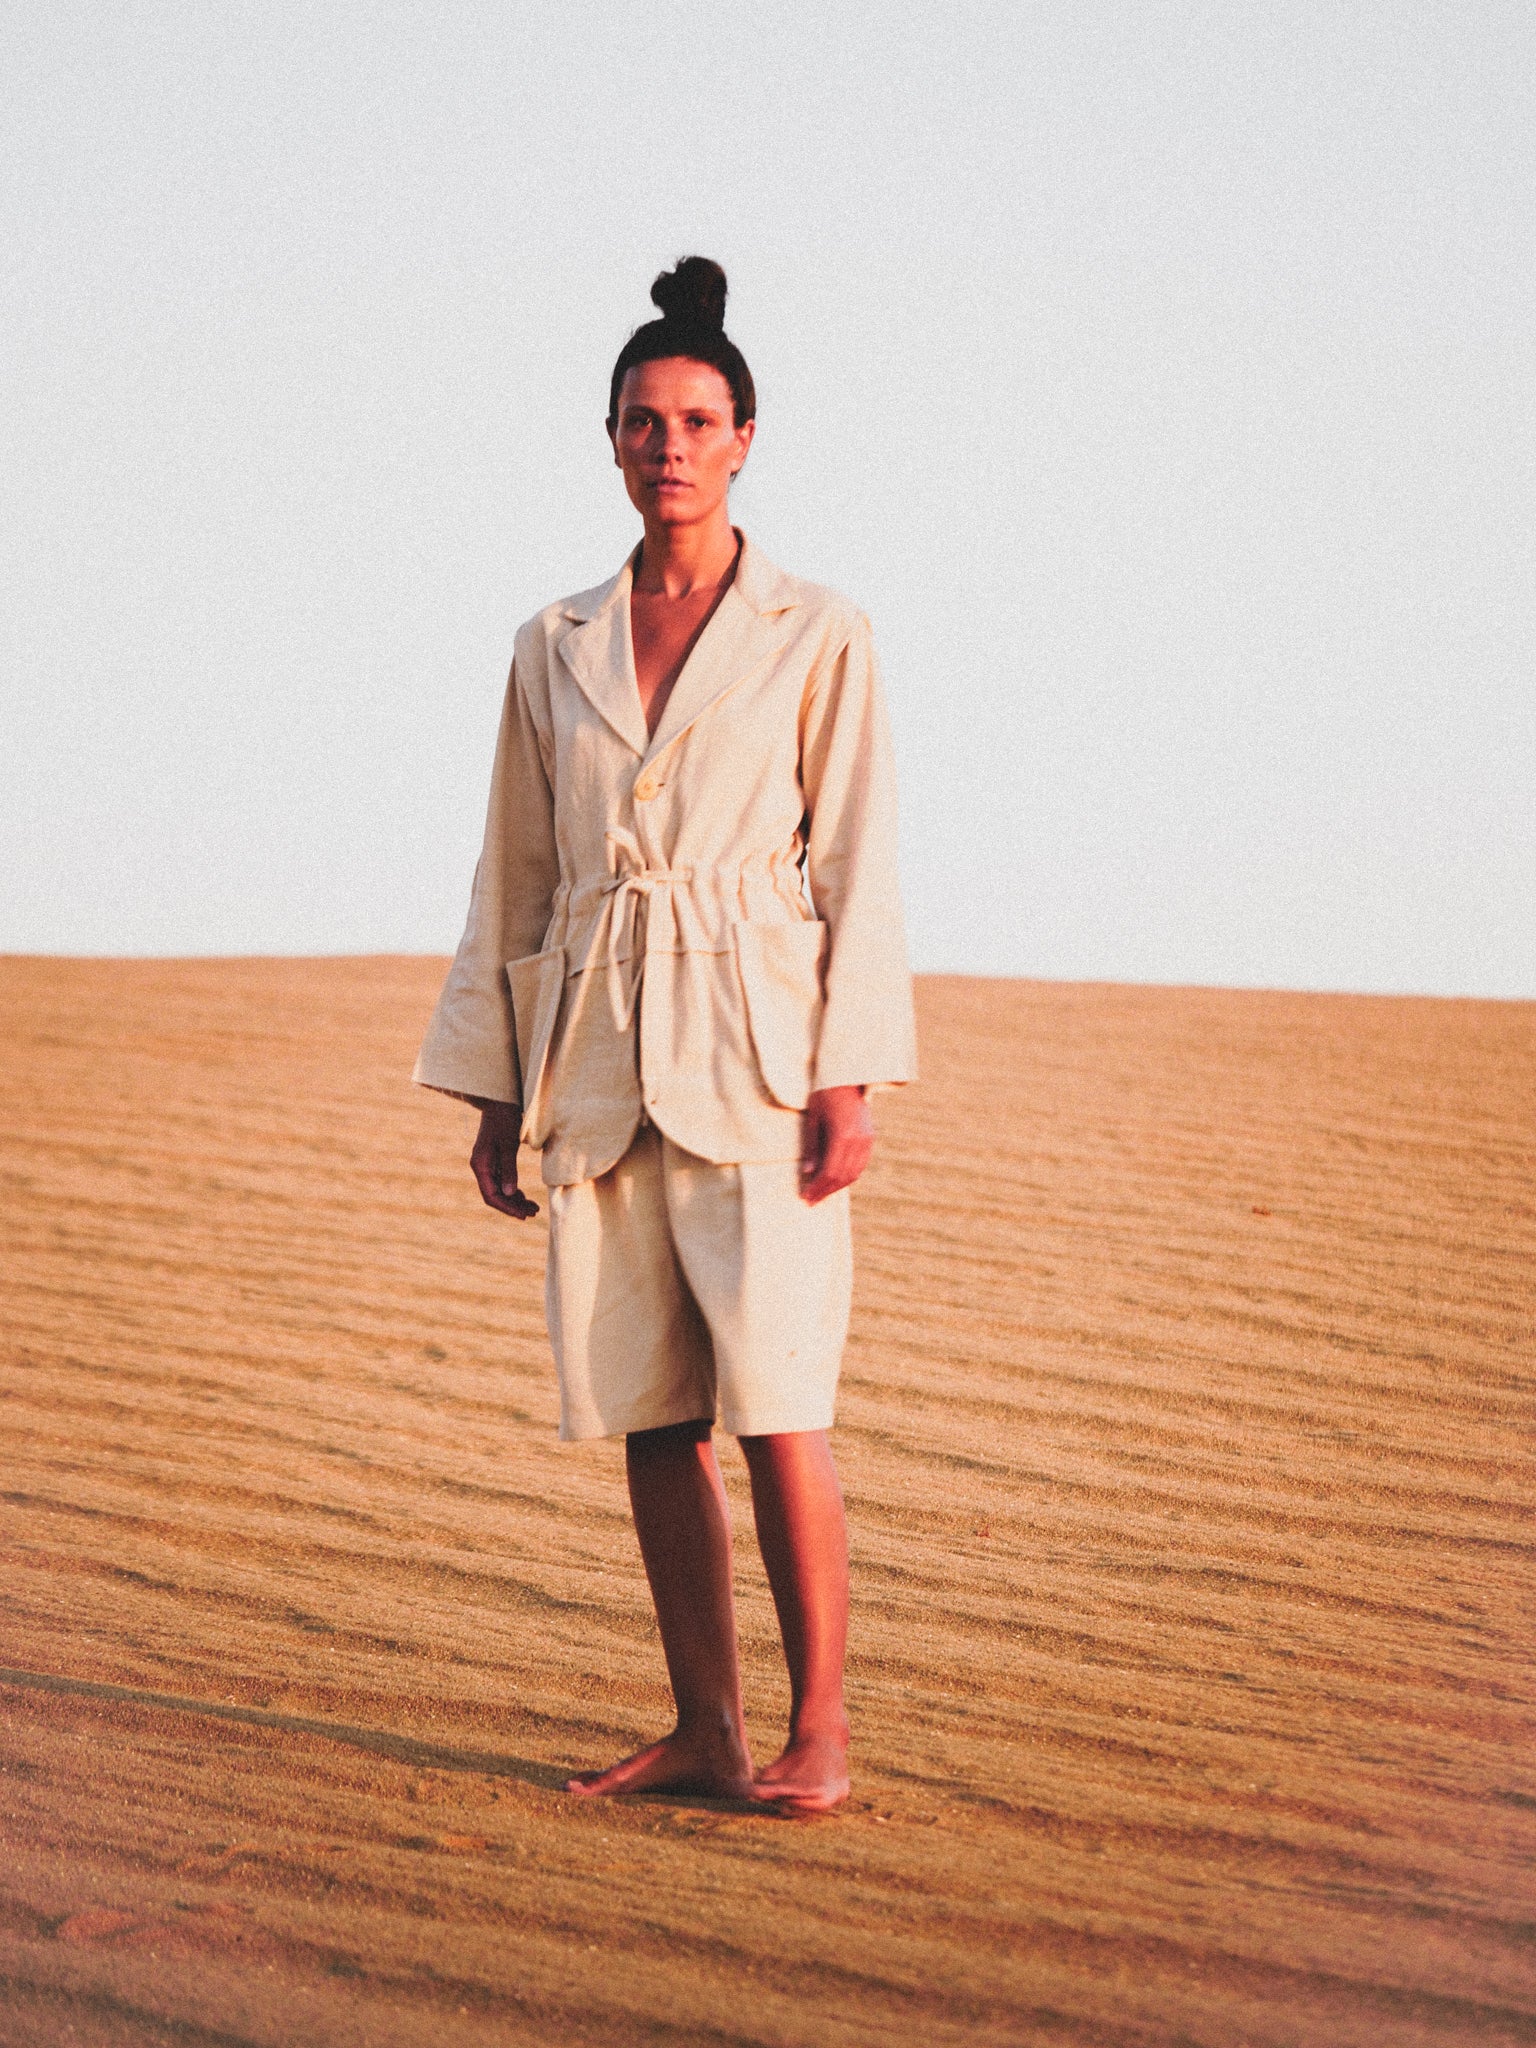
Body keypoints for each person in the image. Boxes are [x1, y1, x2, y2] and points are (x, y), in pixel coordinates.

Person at [414, 256, 916, 1813]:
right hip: (595, 1062)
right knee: (650, 1414)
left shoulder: (816, 628)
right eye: (645, 420)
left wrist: (851, 1068)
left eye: (700, 418)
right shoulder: (547, 639)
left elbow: (858, 860)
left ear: (747, 437)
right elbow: (517, 868)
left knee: (779, 1405)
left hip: (759, 1055)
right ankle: (705, 1728)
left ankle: (818, 1726)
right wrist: (495, 1087)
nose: (672, 444)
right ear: (612, 441)